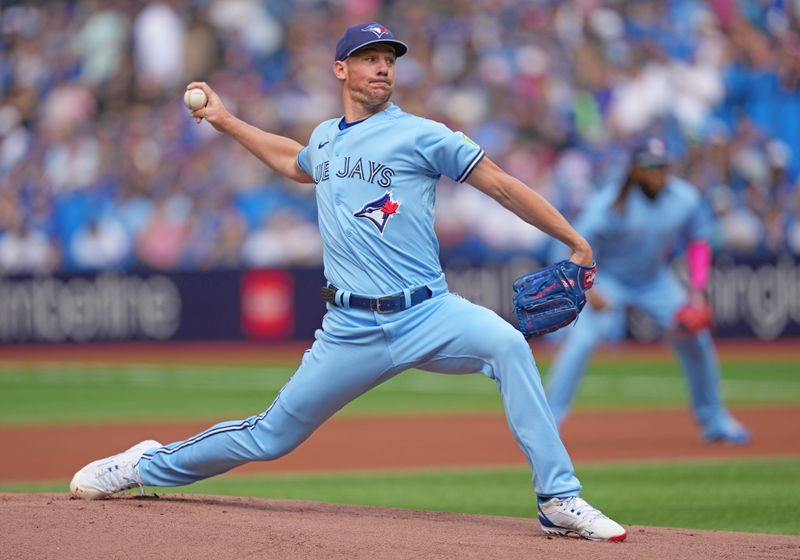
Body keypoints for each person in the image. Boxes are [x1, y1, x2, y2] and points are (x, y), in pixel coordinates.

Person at [70, 22, 626, 542]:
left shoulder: (421, 135)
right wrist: (226, 121)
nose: (382, 68)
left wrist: (575, 241)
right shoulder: (327, 139)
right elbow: (296, 162)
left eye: (388, 60)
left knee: (507, 344)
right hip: (350, 329)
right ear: (341, 70)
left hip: (429, 312)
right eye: (369, 59)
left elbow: (501, 186)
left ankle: (558, 497)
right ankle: (145, 464)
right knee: (269, 437)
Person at [544, 137, 751, 445]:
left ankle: (714, 421)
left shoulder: (683, 197)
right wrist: (585, 287)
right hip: (607, 278)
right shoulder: (610, 203)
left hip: (654, 280)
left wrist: (697, 290)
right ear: (637, 171)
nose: (659, 172)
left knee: (697, 340)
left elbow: (699, 240)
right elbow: (572, 245)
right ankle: (547, 424)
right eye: (652, 167)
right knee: (581, 341)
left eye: (664, 166)